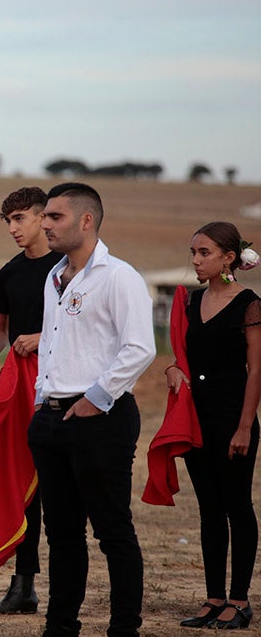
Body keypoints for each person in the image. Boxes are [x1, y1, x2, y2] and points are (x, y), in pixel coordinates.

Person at [28, 182, 155, 637]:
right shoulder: (53, 276)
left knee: (112, 531)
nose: (45, 224)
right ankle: (60, 626)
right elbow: (53, 345)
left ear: (86, 220)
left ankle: (124, 628)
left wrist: (94, 399)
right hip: (52, 416)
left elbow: (140, 348)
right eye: (44, 216)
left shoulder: (119, 276)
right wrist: (43, 400)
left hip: (101, 416)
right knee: (61, 535)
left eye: (55, 217)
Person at [165, 221, 260, 630]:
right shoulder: (190, 302)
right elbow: (183, 357)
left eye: (204, 253)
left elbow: (256, 371)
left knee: (237, 505)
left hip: (232, 416)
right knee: (208, 509)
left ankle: (239, 600)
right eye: (193, 253)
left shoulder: (249, 304)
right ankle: (213, 597)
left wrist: (244, 427)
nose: (196, 261)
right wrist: (171, 368)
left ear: (228, 257)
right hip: (196, 418)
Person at [0, 187, 61, 615]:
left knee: (57, 486)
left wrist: (43, 339)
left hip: (61, 385)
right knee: (22, 486)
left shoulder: (67, 269)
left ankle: (63, 587)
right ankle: (23, 585)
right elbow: (2, 326)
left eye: (20, 219)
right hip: (17, 385)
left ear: (42, 217)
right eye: (7, 221)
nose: (13, 228)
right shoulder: (9, 272)